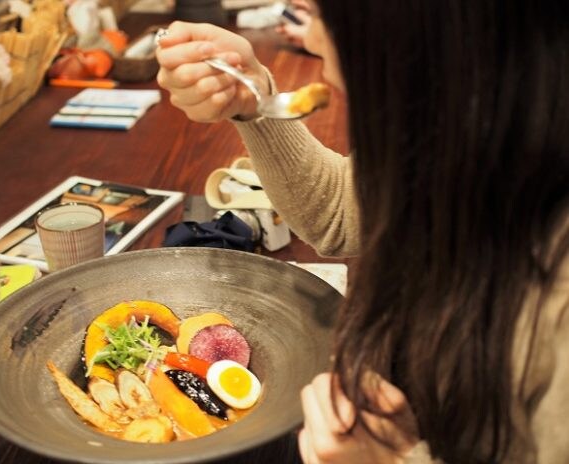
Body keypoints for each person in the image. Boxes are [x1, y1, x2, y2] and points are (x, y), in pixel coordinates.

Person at [155, 0, 569, 462]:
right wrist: (254, 102)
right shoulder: (477, 144)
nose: (312, 39)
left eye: (323, 16)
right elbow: (338, 209)